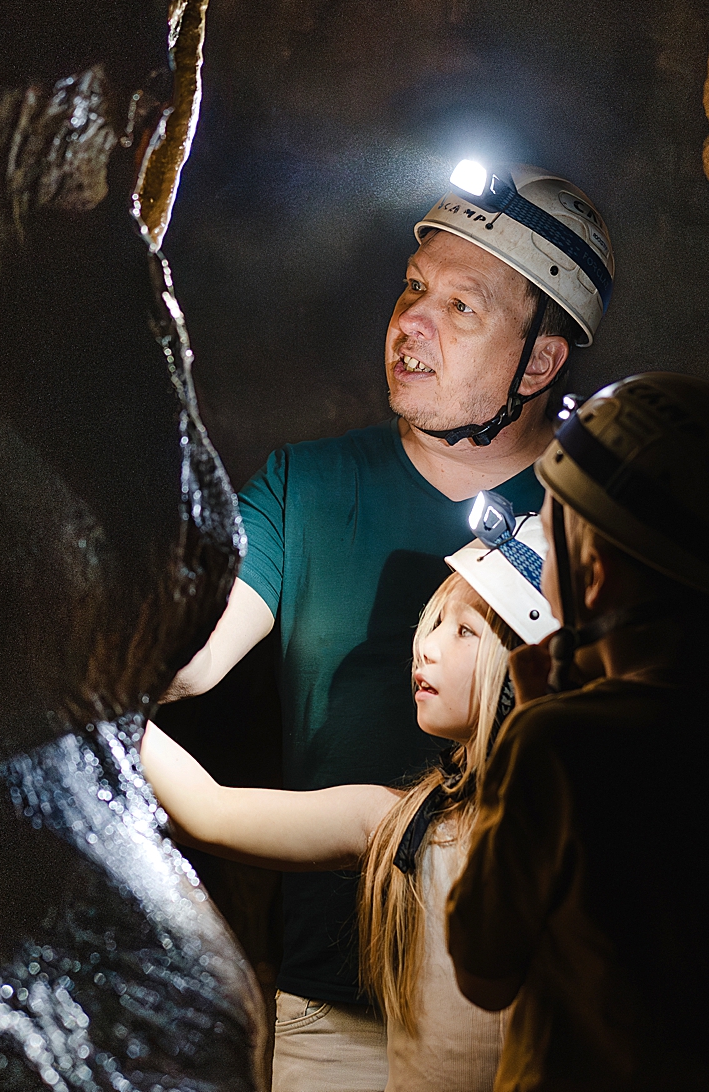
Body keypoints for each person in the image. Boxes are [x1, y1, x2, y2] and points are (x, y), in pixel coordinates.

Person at [163, 162, 617, 1091]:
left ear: (538, 361)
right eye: (415, 289)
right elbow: (189, 657)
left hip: (545, 1025)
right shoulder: (310, 486)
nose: (410, 322)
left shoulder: (602, 520)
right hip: (336, 1013)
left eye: (461, 307)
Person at [445, 372, 709, 1091]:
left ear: (595, 574)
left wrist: (531, 724)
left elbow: (483, 969)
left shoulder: (555, 744)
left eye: (552, 531)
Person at [143, 513, 559, 1090]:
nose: (426, 648)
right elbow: (208, 809)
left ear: (532, 664)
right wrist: (79, 684)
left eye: (465, 631)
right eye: (434, 623)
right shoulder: (400, 822)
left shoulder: (577, 834)